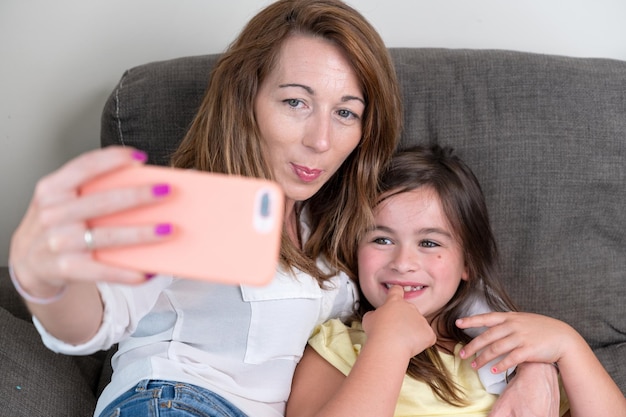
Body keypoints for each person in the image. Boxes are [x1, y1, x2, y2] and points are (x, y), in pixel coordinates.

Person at [8, 1, 560, 416]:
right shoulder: (195, 199)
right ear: (246, 97)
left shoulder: (347, 216)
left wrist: (533, 365)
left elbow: (447, 282)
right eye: (296, 102)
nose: (321, 140)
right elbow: (98, 317)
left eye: (346, 113)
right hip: (178, 402)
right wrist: (47, 283)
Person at [287, 145, 626, 417]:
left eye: (429, 243)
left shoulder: (503, 355)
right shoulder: (336, 345)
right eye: (381, 240)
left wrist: (569, 345)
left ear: (468, 263)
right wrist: (388, 344)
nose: (403, 263)